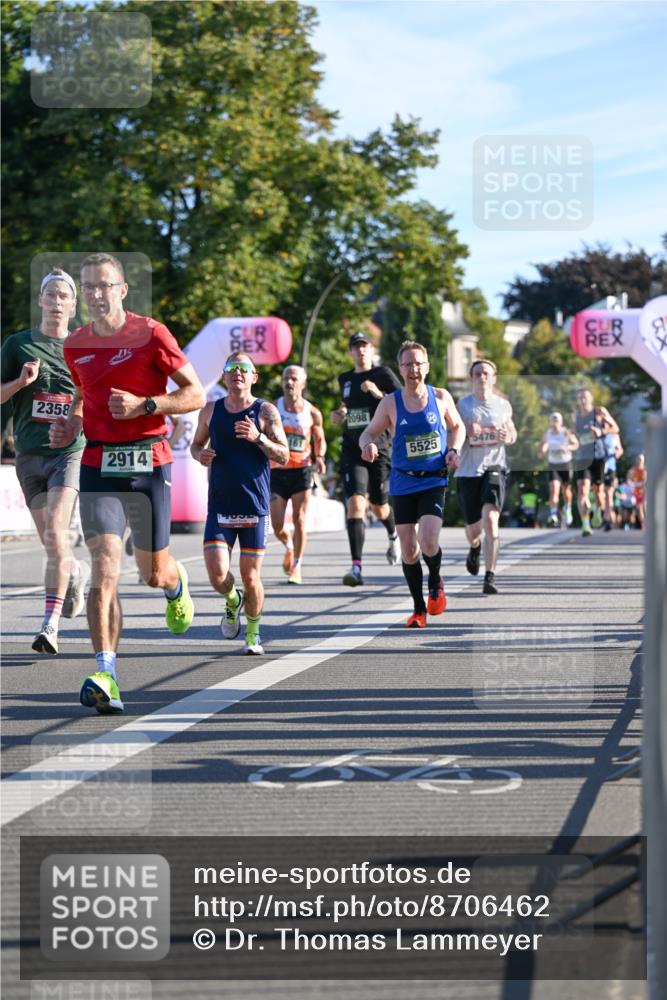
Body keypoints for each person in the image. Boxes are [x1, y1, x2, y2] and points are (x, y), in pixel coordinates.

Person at [49, 253, 205, 713]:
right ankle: (106, 673)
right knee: (104, 565)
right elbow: (83, 396)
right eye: (89, 288)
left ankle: (177, 585)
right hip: (98, 463)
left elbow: (193, 392)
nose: (97, 295)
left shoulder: (152, 334)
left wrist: (146, 406)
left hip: (148, 464)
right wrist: (70, 424)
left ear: (122, 290)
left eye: (104, 286)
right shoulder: (75, 345)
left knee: (151, 572)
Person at [1, 267, 89, 654]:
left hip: (68, 453)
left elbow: (97, 399)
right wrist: (20, 382)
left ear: (73, 304)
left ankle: (50, 625)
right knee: (54, 545)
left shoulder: (85, 347)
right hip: (29, 455)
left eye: (63, 296)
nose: (56, 302)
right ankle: (75, 573)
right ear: (40, 301)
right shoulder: (18, 344)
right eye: (49, 294)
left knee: (56, 531)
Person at [359, 341, 464, 628]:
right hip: (403, 481)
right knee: (408, 548)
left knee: (428, 540)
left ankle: (435, 579)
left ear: (427, 367)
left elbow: (457, 426)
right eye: (407, 364)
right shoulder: (390, 403)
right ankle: (418, 610)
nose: (413, 369)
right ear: (400, 370)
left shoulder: (441, 397)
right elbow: (367, 433)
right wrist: (367, 445)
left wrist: (453, 449)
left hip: (433, 479)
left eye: (418, 363)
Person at [191, 352, 289, 655]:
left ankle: (253, 634)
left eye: (244, 368)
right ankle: (233, 601)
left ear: (253, 376)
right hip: (220, 504)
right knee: (218, 575)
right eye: (231, 368)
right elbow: (196, 445)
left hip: (254, 507)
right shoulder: (209, 410)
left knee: (250, 576)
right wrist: (199, 455)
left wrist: (258, 437)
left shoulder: (266, 411)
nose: (237, 373)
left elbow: (284, 455)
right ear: (224, 376)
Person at [331, 331, 401, 586]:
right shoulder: (345, 379)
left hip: (380, 447)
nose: (360, 351)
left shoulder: (383, 375)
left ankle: (393, 535)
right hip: (353, 448)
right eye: (356, 347)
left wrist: (378, 393)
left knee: (379, 507)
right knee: (355, 505)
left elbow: (401, 403)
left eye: (365, 347)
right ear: (350, 352)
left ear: (372, 350)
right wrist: (340, 414)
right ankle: (356, 567)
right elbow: (347, 407)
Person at [455, 359, 517, 596]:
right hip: (468, 470)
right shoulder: (462, 405)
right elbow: (453, 435)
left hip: (495, 467)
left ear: (494, 378)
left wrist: (507, 435)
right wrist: (466, 433)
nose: (482, 377)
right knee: (473, 528)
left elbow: (512, 433)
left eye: (486, 373)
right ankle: (474, 546)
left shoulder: (503, 405)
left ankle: (490, 576)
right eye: (478, 373)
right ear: (472, 378)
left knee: (491, 519)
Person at [269, 364, 326, 585]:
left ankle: (297, 566)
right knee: (276, 524)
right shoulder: (273, 408)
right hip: (278, 470)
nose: (289, 382)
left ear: (302, 384)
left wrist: (320, 457)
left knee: (300, 520)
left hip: (302, 470)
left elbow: (319, 438)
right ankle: (289, 546)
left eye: (294, 379)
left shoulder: (312, 413)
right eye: (286, 378)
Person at [572, 388, 619, 537]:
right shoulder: (576, 416)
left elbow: (615, 428)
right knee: (582, 489)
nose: (583, 400)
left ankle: (599, 512)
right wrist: (572, 440)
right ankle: (586, 524)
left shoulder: (599, 412)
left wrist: (601, 432)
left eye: (585, 397)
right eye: (580, 398)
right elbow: (574, 435)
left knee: (599, 492)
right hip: (582, 457)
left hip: (598, 457)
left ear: (591, 398)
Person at [538, 412, 578, 527]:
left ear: (561, 422)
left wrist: (567, 447)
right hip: (553, 464)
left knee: (566, 491)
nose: (555, 423)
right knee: (554, 489)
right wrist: (543, 451)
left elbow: (576, 444)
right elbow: (543, 445)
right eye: (553, 420)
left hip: (565, 464)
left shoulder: (565, 432)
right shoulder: (547, 434)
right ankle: (553, 514)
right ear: (550, 422)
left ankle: (568, 508)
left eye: (557, 421)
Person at [628, 453, 646, 530]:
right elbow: (629, 480)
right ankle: (643, 524)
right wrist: (633, 484)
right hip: (636, 493)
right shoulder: (633, 470)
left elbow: (646, 482)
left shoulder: (645, 470)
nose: (639, 461)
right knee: (639, 508)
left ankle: (647, 523)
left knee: (645, 508)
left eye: (641, 460)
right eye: (638, 459)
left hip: (644, 493)